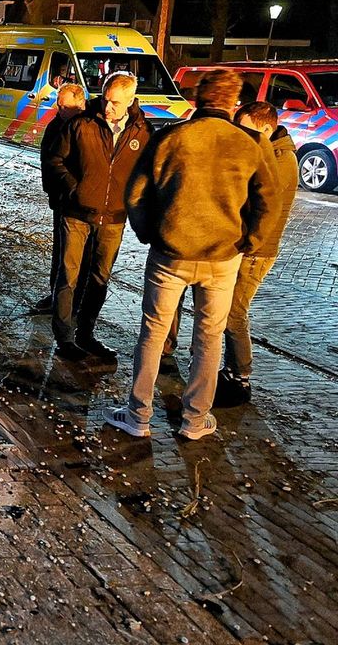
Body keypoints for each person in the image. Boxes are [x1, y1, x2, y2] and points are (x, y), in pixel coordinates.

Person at [109, 69, 278, 441]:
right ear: (234, 104)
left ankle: (138, 415)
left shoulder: (171, 137)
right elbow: (270, 198)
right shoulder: (250, 143)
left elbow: (135, 193)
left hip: (171, 254)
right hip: (223, 255)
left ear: (197, 99)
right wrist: (251, 240)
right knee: (209, 336)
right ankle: (195, 418)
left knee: (153, 333)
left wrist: (150, 232)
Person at [47, 72, 152, 361]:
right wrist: (74, 189)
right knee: (68, 275)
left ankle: (86, 333)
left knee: (99, 279)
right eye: (106, 100)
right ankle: (65, 338)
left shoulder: (142, 131)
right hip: (76, 214)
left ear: (131, 100)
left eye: (116, 103)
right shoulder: (82, 124)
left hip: (114, 218)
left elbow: (146, 173)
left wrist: (133, 203)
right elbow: (56, 160)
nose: (108, 108)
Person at [215, 101, 298, 406]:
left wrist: (250, 240)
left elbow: (259, 203)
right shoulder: (266, 152)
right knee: (228, 311)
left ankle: (241, 376)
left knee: (234, 313)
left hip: (257, 250)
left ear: (266, 128)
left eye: (245, 128)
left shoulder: (280, 159)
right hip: (250, 245)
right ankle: (230, 370)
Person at [34, 83, 87, 313]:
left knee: (77, 256)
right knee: (61, 252)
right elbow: (49, 162)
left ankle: (74, 301)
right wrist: (55, 192)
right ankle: (59, 296)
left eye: (64, 105)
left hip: (82, 200)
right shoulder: (57, 125)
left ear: (80, 103)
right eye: (59, 104)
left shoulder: (86, 126)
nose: (59, 109)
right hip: (62, 199)